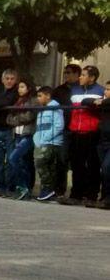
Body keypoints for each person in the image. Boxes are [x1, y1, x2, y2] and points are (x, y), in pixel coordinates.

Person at [58, 65, 104, 205]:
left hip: (92, 132)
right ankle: (76, 194)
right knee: (77, 165)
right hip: (75, 132)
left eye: (83, 75)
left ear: (92, 77)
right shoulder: (74, 89)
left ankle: (91, 196)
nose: (80, 77)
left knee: (92, 165)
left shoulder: (101, 90)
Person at [52, 63, 81, 197]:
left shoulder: (81, 89)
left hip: (78, 130)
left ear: (77, 74)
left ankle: (77, 193)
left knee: (77, 161)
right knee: (61, 160)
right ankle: (59, 190)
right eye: (65, 72)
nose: (66, 75)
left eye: (69, 72)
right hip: (63, 128)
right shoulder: (59, 90)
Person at [6, 81, 38, 200]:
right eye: (18, 87)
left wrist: (17, 118)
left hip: (27, 134)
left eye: (22, 87)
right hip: (17, 134)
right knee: (22, 162)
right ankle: (25, 190)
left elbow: (29, 116)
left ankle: (23, 187)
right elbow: (9, 119)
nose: (19, 89)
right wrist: (18, 119)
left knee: (14, 158)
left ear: (29, 88)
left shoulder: (33, 100)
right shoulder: (17, 101)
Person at [33, 86, 64, 201]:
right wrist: (36, 138)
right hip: (41, 141)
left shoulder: (55, 108)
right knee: (47, 166)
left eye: (40, 96)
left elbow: (58, 125)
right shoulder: (42, 109)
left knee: (41, 162)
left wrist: (45, 138)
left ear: (48, 96)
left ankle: (48, 188)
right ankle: (48, 190)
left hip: (51, 142)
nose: (38, 99)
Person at [93, 81, 110, 209]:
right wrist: (98, 102)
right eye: (106, 89)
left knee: (106, 168)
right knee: (103, 170)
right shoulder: (104, 102)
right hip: (102, 141)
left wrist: (102, 102)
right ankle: (104, 197)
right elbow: (86, 101)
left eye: (109, 90)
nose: (106, 92)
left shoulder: (105, 103)